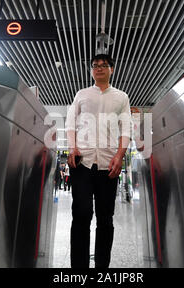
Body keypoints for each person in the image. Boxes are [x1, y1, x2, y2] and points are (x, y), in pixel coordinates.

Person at [66, 54, 131, 268]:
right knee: (81, 215)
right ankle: (79, 269)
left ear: (112, 69)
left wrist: (120, 155)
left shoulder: (121, 97)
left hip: (108, 165)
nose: (99, 68)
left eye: (104, 65)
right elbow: (71, 122)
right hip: (82, 163)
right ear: (91, 70)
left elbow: (126, 128)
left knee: (105, 218)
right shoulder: (82, 94)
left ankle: (102, 267)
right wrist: (72, 147)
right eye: (95, 66)